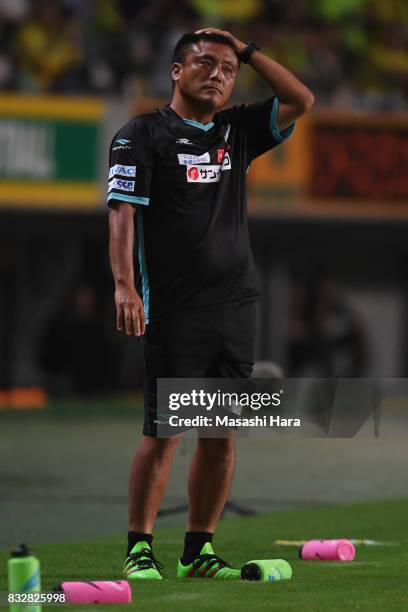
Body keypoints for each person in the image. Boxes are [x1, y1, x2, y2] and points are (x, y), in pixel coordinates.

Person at [108, 27, 314, 581]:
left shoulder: (237, 130)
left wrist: (247, 51)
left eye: (228, 69)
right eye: (205, 63)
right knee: (164, 434)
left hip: (235, 307)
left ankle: (198, 550)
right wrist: (124, 284)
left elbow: (301, 101)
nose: (218, 74)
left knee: (221, 435)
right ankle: (139, 548)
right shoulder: (141, 135)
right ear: (176, 71)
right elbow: (122, 213)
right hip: (175, 311)